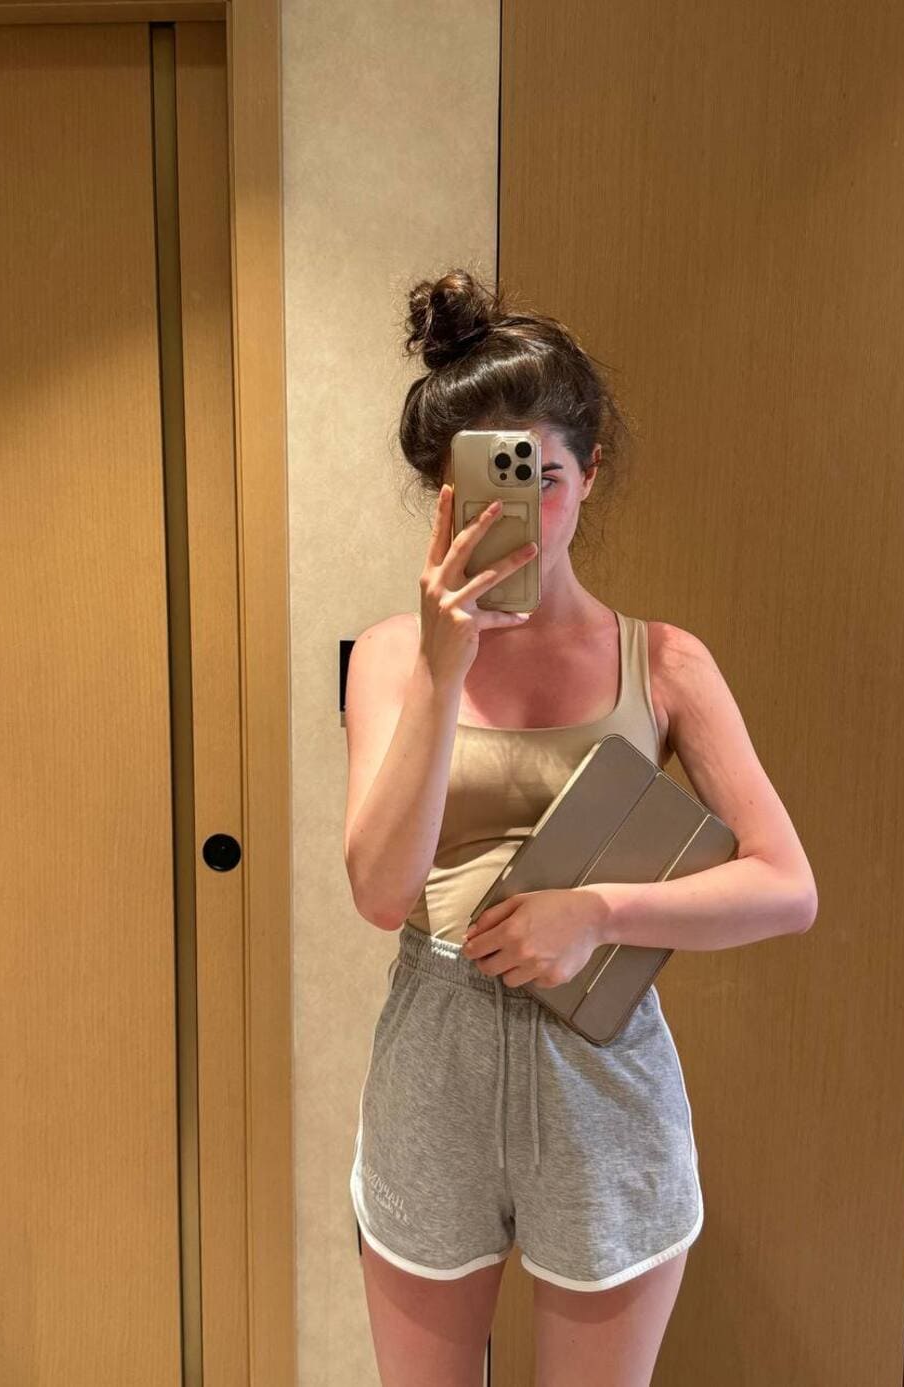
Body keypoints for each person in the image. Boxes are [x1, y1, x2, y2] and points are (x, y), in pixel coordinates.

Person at [342, 268, 816, 1387]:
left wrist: (597, 911)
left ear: (588, 472)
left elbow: (785, 885)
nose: (513, 512)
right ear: (442, 494)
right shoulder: (393, 657)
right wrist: (444, 666)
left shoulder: (667, 662)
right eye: (478, 484)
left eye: (541, 478)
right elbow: (377, 892)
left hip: (602, 1067)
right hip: (434, 1057)